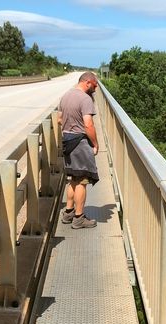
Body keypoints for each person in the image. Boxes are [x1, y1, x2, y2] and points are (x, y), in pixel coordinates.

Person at [56, 72, 99, 229]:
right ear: (87, 82)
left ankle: (68, 213)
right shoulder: (85, 99)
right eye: (95, 85)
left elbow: (60, 119)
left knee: (73, 179)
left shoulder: (66, 96)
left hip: (67, 140)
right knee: (82, 180)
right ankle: (79, 218)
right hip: (80, 143)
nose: (96, 87)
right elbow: (88, 124)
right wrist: (95, 143)